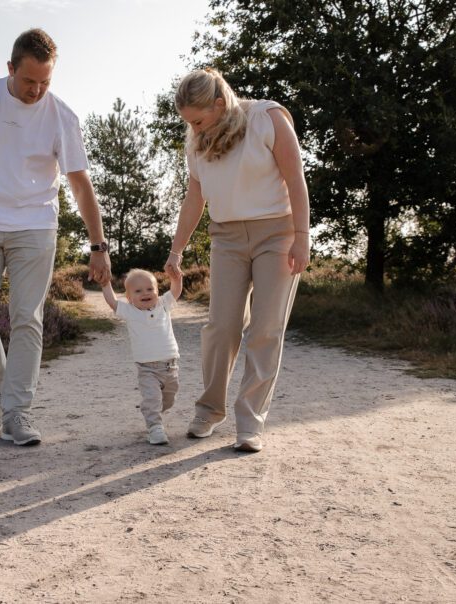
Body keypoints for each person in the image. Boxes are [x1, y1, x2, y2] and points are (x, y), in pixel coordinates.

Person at [0, 28, 111, 446]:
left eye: (46, 82)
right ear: (10, 68)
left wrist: (97, 245)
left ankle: (17, 411)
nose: (37, 90)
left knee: (28, 317)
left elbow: (81, 185)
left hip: (35, 225)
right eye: (29, 81)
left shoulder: (61, 115)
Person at [164, 68, 311, 453]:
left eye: (197, 120)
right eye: (187, 123)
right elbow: (194, 197)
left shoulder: (267, 117)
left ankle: (250, 422)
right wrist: (175, 250)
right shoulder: (196, 141)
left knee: (265, 328)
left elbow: (296, 178)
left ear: (218, 103)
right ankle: (209, 410)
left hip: (277, 233)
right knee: (221, 325)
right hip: (226, 237)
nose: (193, 128)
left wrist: (302, 237)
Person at [99, 269, 183, 445]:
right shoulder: (130, 311)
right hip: (147, 368)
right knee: (153, 399)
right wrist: (106, 284)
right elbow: (112, 301)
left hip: (171, 366)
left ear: (157, 292)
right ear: (129, 298)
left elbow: (175, 291)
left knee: (169, 399)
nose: (145, 293)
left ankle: (152, 411)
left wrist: (176, 279)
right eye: (138, 291)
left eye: (149, 289)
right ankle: (155, 428)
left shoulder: (163, 305)